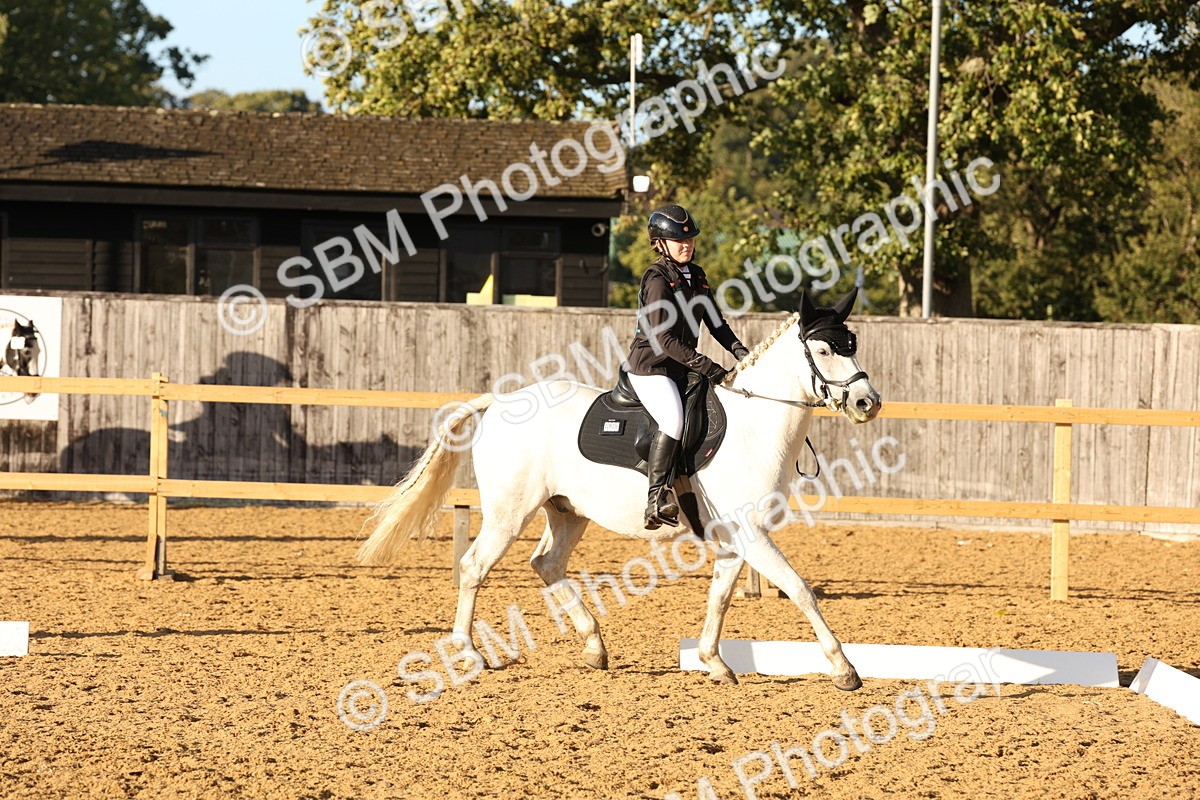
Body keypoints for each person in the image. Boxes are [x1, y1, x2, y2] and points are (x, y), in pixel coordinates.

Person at [623, 204, 750, 530]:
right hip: (651, 367)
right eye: (678, 240)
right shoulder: (657, 279)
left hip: (680, 366)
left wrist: (740, 351)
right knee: (673, 419)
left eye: (690, 239)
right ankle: (655, 499)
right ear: (659, 244)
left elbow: (716, 324)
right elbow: (663, 338)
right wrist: (707, 366)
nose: (686, 245)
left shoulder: (697, 276)